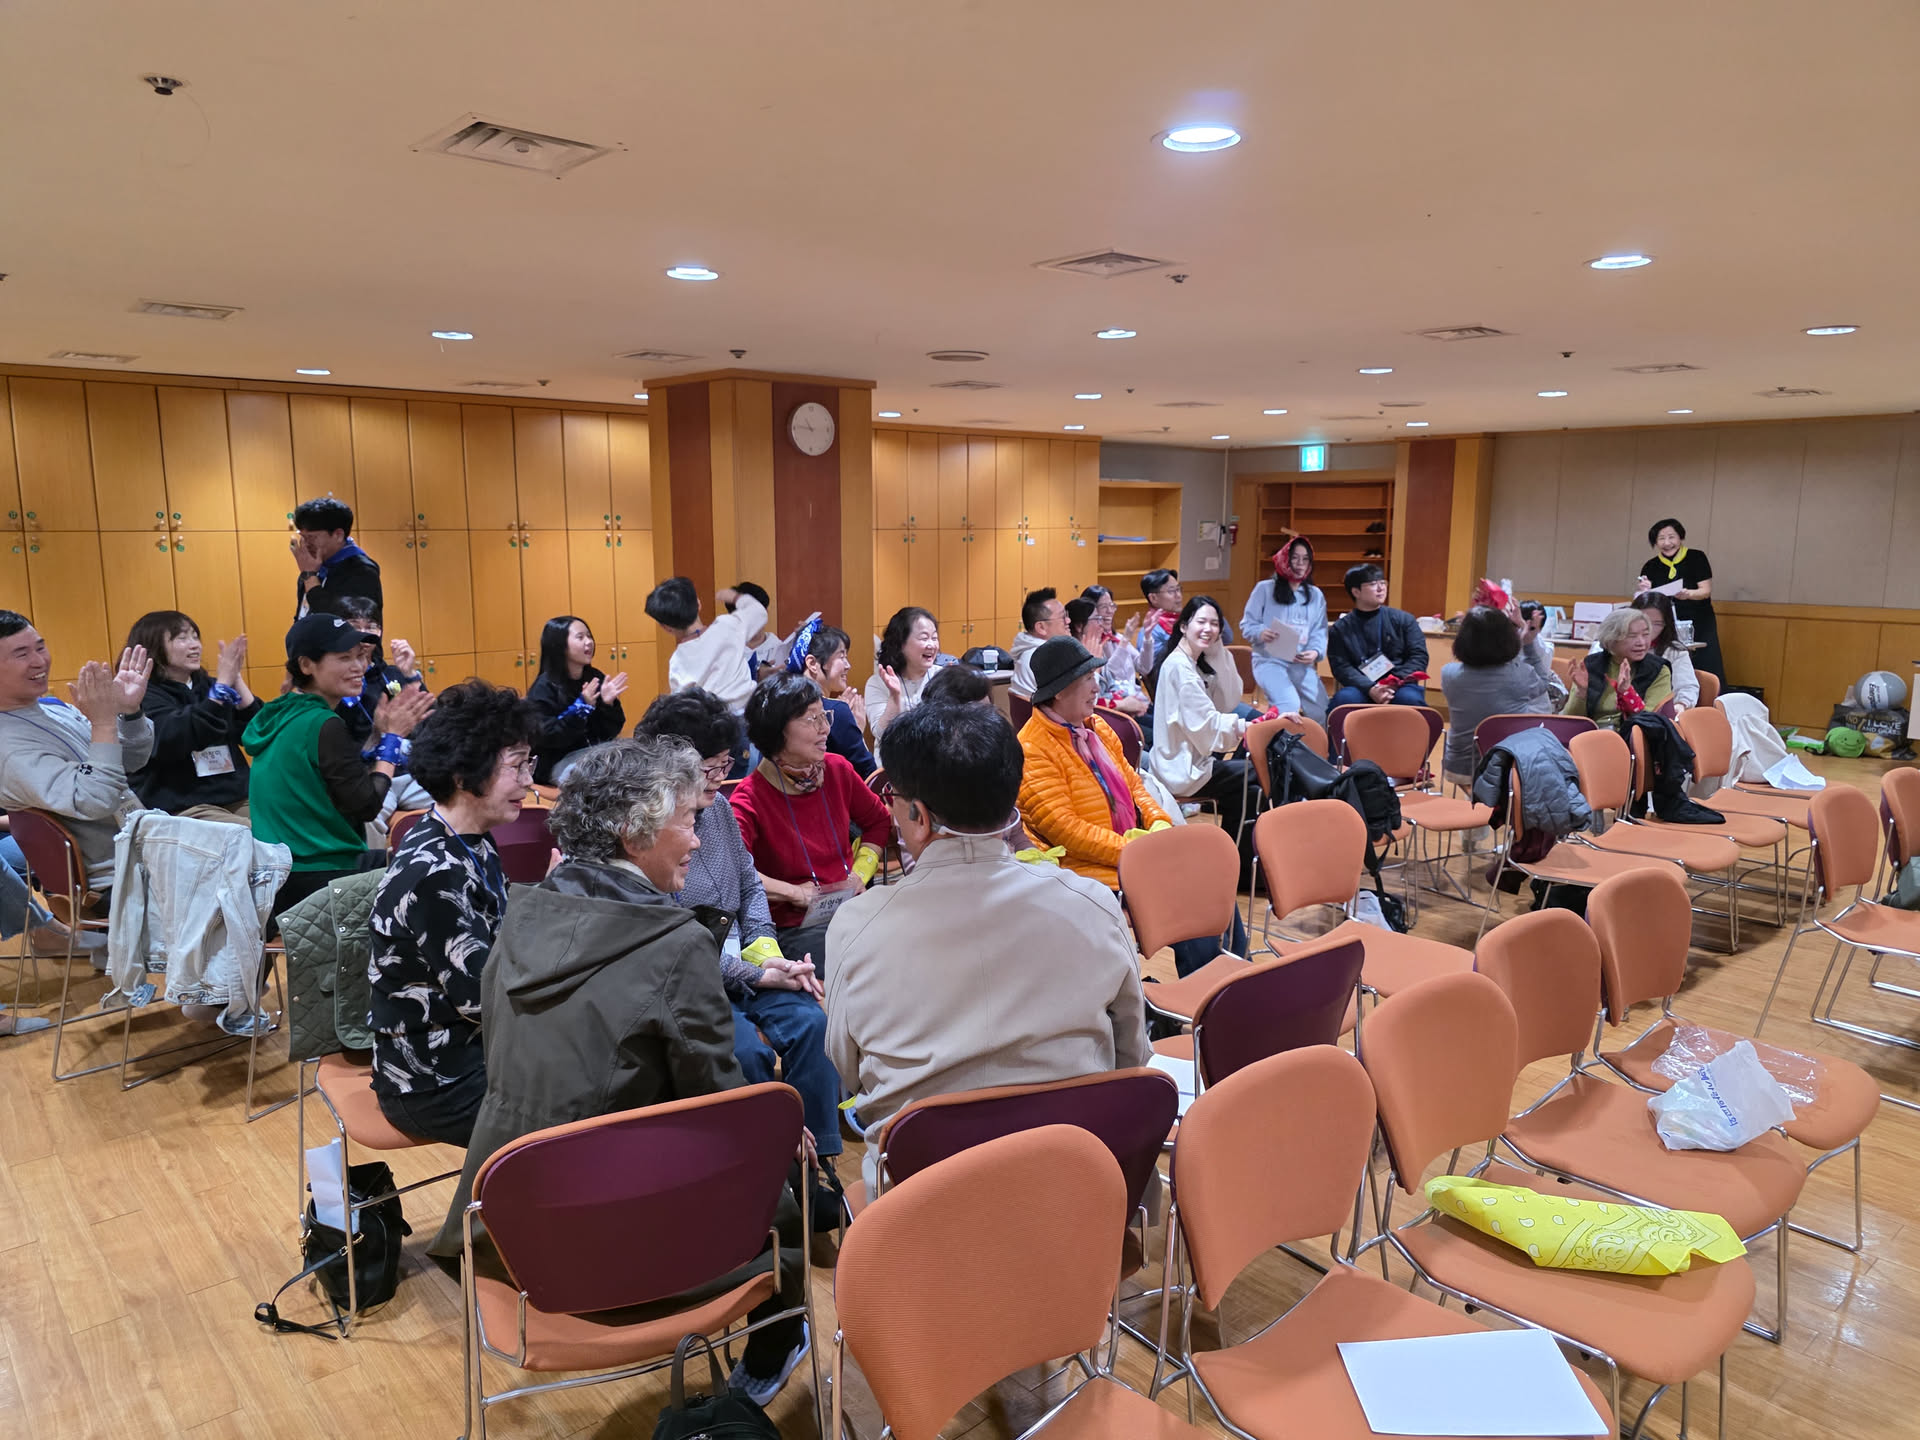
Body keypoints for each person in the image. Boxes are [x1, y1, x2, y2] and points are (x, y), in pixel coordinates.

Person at [430, 737, 811, 1404]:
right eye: (688, 820)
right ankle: (780, 1339)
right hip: (617, 1245)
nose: (698, 840)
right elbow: (720, 1108)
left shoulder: (521, 910)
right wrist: (779, 1138)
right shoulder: (676, 945)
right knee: (787, 1174)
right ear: (635, 835)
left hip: (510, 1230)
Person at [825, 700, 1152, 1194]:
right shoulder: (1092, 904)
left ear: (917, 815)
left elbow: (848, 1069)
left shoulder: (858, 925)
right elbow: (1131, 1054)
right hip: (1073, 1195)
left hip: (922, 1209)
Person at [633, 688, 845, 1188]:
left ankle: (819, 1169)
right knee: (745, 1052)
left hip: (743, 965)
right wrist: (758, 973)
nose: (719, 777)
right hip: (690, 982)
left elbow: (749, 886)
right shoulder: (649, 834)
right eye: (708, 768)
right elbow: (675, 940)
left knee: (812, 1023)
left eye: (725, 764)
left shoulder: (722, 812)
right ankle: (765, 1179)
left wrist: (768, 953)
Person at [367, 680, 538, 1146]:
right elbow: (482, 1001)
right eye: (516, 766)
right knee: (592, 1103)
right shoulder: (435, 872)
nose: (528, 781)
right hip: (435, 1079)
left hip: (478, 1051)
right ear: (463, 776)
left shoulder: (469, 839)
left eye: (530, 764)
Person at [243, 614, 434, 922]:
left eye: (360, 656)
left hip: (280, 876)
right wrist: (391, 741)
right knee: (436, 868)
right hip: (319, 877)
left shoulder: (281, 715)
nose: (358, 667)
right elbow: (367, 804)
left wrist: (378, 738)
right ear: (307, 665)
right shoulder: (323, 723)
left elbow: (336, 775)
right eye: (344, 658)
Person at [730, 674, 891, 972]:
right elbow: (734, 872)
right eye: (811, 719)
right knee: (865, 965)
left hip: (850, 908)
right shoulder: (749, 798)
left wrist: (860, 874)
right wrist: (794, 893)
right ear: (777, 731)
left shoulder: (837, 769)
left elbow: (879, 822)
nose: (825, 728)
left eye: (824, 716)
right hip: (796, 927)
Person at [0, 611, 153, 899]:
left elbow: (130, 762)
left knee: (243, 850)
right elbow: (96, 800)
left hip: (146, 849)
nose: (39, 661)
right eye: (22, 654)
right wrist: (103, 723)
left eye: (40, 647)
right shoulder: (7, 748)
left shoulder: (54, 708)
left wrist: (128, 712)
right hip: (118, 877)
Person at [1016, 637, 1171, 890]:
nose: (1096, 688)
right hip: (1084, 875)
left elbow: (1134, 786)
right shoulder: (1032, 748)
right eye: (1088, 678)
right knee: (1187, 892)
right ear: (1059, 690)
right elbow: (1067, 832)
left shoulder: (1097, 727)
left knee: (1209, 885)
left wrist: (1158, 822)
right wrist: (1135, 851)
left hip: (1130, 856)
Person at [125, 610, 258, 823]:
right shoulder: (140, 694)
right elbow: (175, 735)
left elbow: (257, 732)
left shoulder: (211, 687)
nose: (195, 645)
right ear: (154, 646)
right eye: (182, 638)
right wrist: (223, 686)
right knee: (250, 833)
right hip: (183, 805)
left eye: (195, 637)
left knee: (287, 825)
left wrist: (236, 678)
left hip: (235, 795)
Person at [1439, 605, 1553, 786]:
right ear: (1507, 639)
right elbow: (1543, 683)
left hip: (1459, 768)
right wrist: (1527, 644)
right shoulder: (1520, 674)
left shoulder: (1448, 673)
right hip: (1507, 769)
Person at [525, 615, 628, 785]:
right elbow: (548, 737)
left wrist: (608, 705)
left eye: (589, 636)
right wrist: (581, 708)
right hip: (557, 761)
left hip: (593, 752)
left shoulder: (594, 677)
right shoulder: (544, 687)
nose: (589, 642)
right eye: (580, 637)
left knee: (631, 761)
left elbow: (608, 733)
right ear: (560, 645)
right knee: (599, 776)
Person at [1240, 536, 1330, 721]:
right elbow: (1247, 624)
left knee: (1321, 709)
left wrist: (1315, 652)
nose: (1300, 563)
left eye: (1305, 559)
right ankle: (1281, 739)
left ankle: (1314, 742)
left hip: (1301, 663)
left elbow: (1319, 631)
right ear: (1284, 560)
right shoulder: (1264, 589)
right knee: (1289, 704)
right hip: (1269, 660)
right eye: (1295, 558)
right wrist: (1260, 632)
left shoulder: (1315, 595)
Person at [648, 576, 766, 713]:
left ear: (666, 627)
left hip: (714, 722)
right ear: (698, 604)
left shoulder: (678, 661)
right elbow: (758, 612)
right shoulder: (728, 626)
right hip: (750, 715)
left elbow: (681, 706)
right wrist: (735, 597)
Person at [1327, 564, 1429, 709]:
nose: (1381, 588)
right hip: (1361, 686)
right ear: (1356, 592)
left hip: (1400, 684)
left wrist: (1394, 683)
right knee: (1344, 699)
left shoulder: (1404, 619)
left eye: (1383, 582)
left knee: (1409, 699)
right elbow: (1341, 667)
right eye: (1373, 584)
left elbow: (1419, 656)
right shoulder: (1341, 628)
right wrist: (1370, 688)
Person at [331, 596, 427, 749]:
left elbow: (429, 720)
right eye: (354, 626)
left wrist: (410, 674)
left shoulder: (392, 673)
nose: (363, 634)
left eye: (371, 627)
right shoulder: (331, 680)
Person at [1636, 517, 1724, 681]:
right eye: (1661, 538)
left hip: (1698, 620)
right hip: (1666, 621)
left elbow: (1705, 591)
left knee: (1705, 661)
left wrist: (1688, 594)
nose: (1667, 543)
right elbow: (1647, 600)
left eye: (1671, 537)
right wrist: (1645, 590)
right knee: (1669, 660)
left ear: (1680, 537)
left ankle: (1709, 693)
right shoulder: (1651, 565)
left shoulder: (1696, 557)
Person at [789, 619, 876, 779]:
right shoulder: (835, 712)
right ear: (812, 663)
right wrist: (856, 730)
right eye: (841, 657)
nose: (848, 665)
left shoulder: (780, 706)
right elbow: (868, 774)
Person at [1563, 607, 1673, 724]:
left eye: (1645, 635)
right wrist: (1581, 692)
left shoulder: (1658, 670)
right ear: (1611, 639)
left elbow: (1651, 721)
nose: (1641, 642)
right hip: (1592, 731)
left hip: (1632, 733)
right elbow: (1571, 719)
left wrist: (1627, 694)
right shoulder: (1591, 665)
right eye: (1632, 636)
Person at [291, 496, 381, 621]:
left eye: (312, 537)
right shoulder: (313, 566)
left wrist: (310, 576)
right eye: (303, 537)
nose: (305, 544)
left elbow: (342, 620)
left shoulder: (362, 571)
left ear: (338, 535)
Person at [863, 605, 941, 751]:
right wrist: (894, 697)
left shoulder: (942, 677)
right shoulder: (877, 683)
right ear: (900, 643)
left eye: (934, 638)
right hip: (894, 762)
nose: (932, 645)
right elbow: (882, 734)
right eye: (924, 638)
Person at [1066, 597, 1148, 716]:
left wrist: (1128, 699)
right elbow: (1088, 701)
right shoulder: (1073, 657)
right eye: (1096, 619)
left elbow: (1111, 682)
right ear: (1079, 626)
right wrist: (1122, 704)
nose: (1101, 624)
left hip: (1119, 707)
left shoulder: (1097, 647)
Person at [1624, 590, 1700, 712]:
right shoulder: (1618, 646)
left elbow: (1687, 687)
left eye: (1657, 624)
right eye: (1644, 622)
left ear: (1666, 624)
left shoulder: (1674, 652)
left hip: (1653, 715)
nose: (1649, 629)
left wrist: (1681, 705)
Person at [1008, 587, 1067, 701]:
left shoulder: (1029, 652)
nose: (1068, 621)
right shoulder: (1045, 658)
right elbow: (1079, 703)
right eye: (1062, 617)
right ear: (1041, 627)